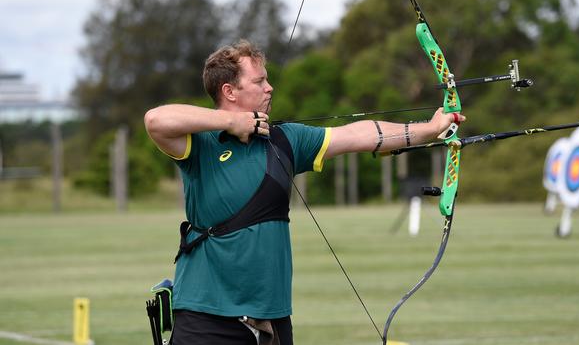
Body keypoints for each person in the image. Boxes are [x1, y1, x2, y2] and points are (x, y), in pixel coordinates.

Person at [144, 39, 465, 345]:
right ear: (229, 91)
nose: (269, 88)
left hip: (271, 314)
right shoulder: (201, 145)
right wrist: (230, 122)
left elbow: (359, 134)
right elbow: (155, 120)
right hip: (205, 313)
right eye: (259, 81)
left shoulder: (285, 139)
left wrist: (428, 129)